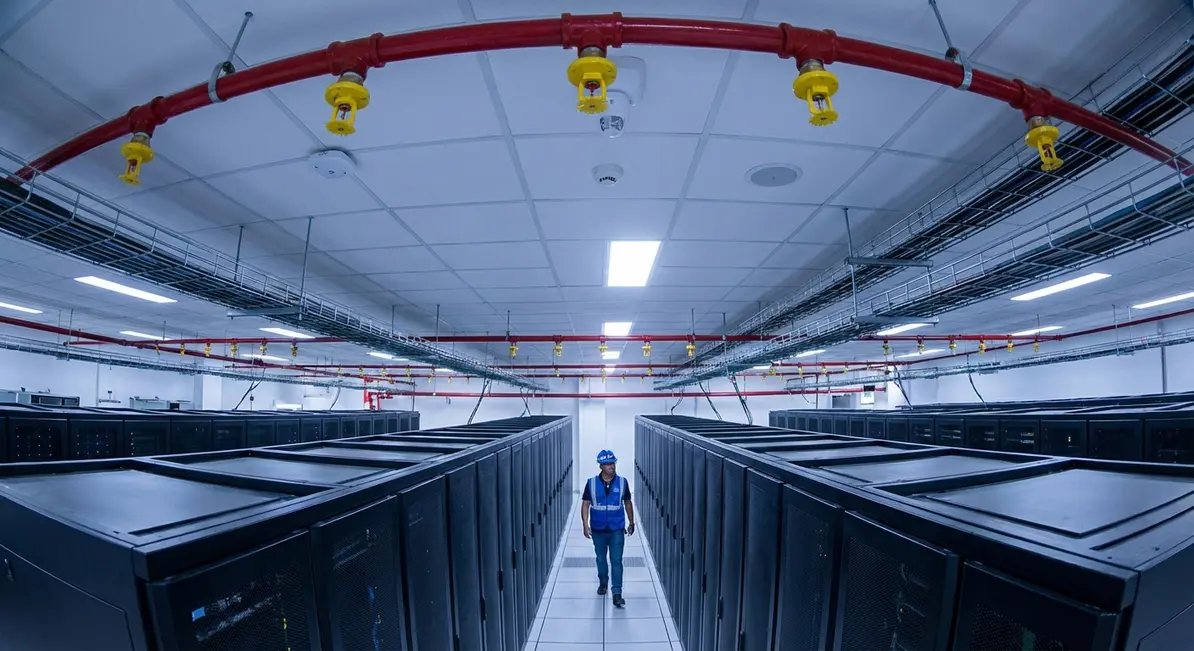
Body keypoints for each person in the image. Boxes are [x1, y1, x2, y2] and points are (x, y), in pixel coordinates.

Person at [581, 449, 635, 607]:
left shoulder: (622, 482)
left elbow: (627, 503)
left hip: (616, 528)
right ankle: (603, 582)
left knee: (616, 560)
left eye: (613, 463)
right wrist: (585, 524)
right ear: (601, 466)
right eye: (608, 464)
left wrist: (631, 522)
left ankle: (617, 592)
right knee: (600, 558)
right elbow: (585, 504)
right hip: (598, 528)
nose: (612, 466)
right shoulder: (591, 483)